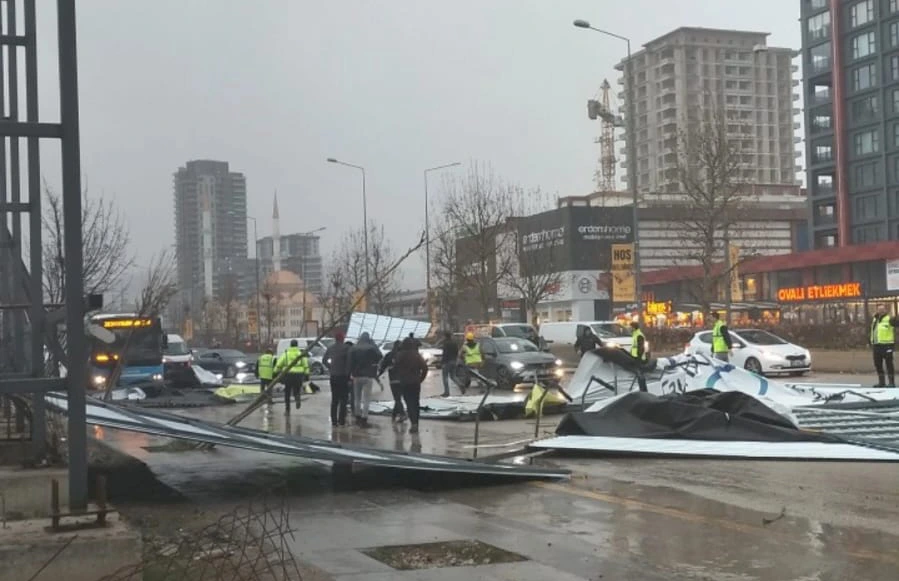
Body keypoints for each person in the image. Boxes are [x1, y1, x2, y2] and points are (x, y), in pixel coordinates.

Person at [394, 336, 429, 434]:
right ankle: (416, 423)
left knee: (409, 403)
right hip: (415, 383)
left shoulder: (399, 355)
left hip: (404, 383)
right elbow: (425, 368)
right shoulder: (416, 355)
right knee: (416, 403)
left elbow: (395, 367)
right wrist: (420, 379)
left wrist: (400, 377)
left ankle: (413, 423)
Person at [348, 332, 382, 427]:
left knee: (357, 398)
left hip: (356, 376)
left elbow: (350, 361)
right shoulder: (371, 348)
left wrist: (351, 373)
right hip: (368, 375)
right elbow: (380, 356)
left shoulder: (354, 348)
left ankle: (357, 416)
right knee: (366, 399)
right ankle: (364, 418)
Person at [323, 331, 352, 427]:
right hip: (343, 376)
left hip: (333, 376)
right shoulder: (346, 348)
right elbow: (349, 363)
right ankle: (341, 420)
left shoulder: (330, 348)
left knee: (334, 399)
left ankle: (334, 421)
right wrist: (348, 374)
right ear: (343, 338)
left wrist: (330, 367)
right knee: (344, 399)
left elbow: (324, 360)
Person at [275, 340, 309, 413]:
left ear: (290, 345)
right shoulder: (300, 354)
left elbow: (279, 364)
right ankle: (297, 397)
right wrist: (306, 374)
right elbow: (305, 365)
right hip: (298, 375)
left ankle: (287, 409)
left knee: (287, 392)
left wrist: (275, 372)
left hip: (288, 375)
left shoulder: (286, 354)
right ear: (297, 345)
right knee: (296, 389)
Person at [870, 304, 899, 387]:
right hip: (876, 346)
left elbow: (896, 324)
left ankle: (891, 382)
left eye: (882, 309)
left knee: (889, 364)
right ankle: (881, 382)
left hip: (887, 345)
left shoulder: (889, 319)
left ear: (885, 310)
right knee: (878, 364)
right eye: (879, 309)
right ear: (877, 310)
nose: (881, 311)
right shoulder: (875, 319)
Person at [378, 341, 406, 423]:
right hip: (403, 380)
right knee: (398, 398)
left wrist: (378, 375)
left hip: (393, 380)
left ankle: (401, 414)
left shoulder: (389, 355)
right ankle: (397, 414)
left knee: (397, 398)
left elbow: (383, 366)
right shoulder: (404, 355)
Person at [629, 320, 649, 392]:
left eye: (630, 327)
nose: (629, 328)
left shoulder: (639, 335)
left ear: (634, 328)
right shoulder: (635, 334)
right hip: (635, 357)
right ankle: (641, 388)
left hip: (639, 358)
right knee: (638, 374)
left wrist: (638, 357)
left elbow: (641, 348)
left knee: (640, 374)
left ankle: (643, 390)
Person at [440, 331, 459, 397]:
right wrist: (455, 360)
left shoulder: (446, 343)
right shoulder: (454, 343)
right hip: (454, 361)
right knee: (453, 376)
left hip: (447, 362)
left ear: (445, 336)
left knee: (445, 377)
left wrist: (442, 363)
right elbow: (457, 352)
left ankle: (446, 392)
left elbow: (445, 354)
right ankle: (460, 384)